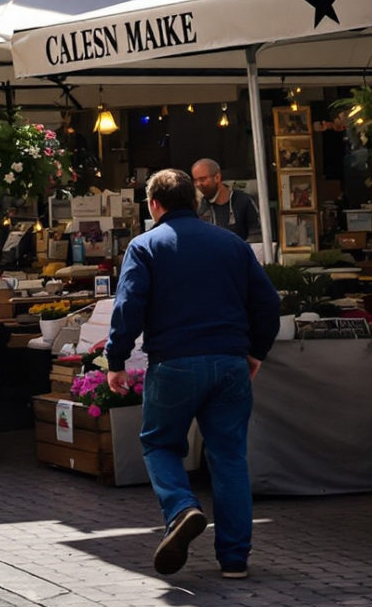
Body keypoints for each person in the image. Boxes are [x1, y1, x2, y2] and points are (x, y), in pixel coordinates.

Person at [108, 167, 281, 579]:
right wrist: (255, 352)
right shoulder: (233, 245)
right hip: (230, 362)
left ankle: (182, 508)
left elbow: (128, 307)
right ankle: (235, 560)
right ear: (196, 200)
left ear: (154, 204)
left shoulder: (145, 245)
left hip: (174, 362)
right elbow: (268, 303)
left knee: (160, 445)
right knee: (229, 459)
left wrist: (116, 360)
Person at [191, 159, 262, 243]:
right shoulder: (199, 206)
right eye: (195, 180)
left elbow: (256, 236)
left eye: (202, 179)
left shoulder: (243, 201)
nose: (198, 184)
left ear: (217, 177)